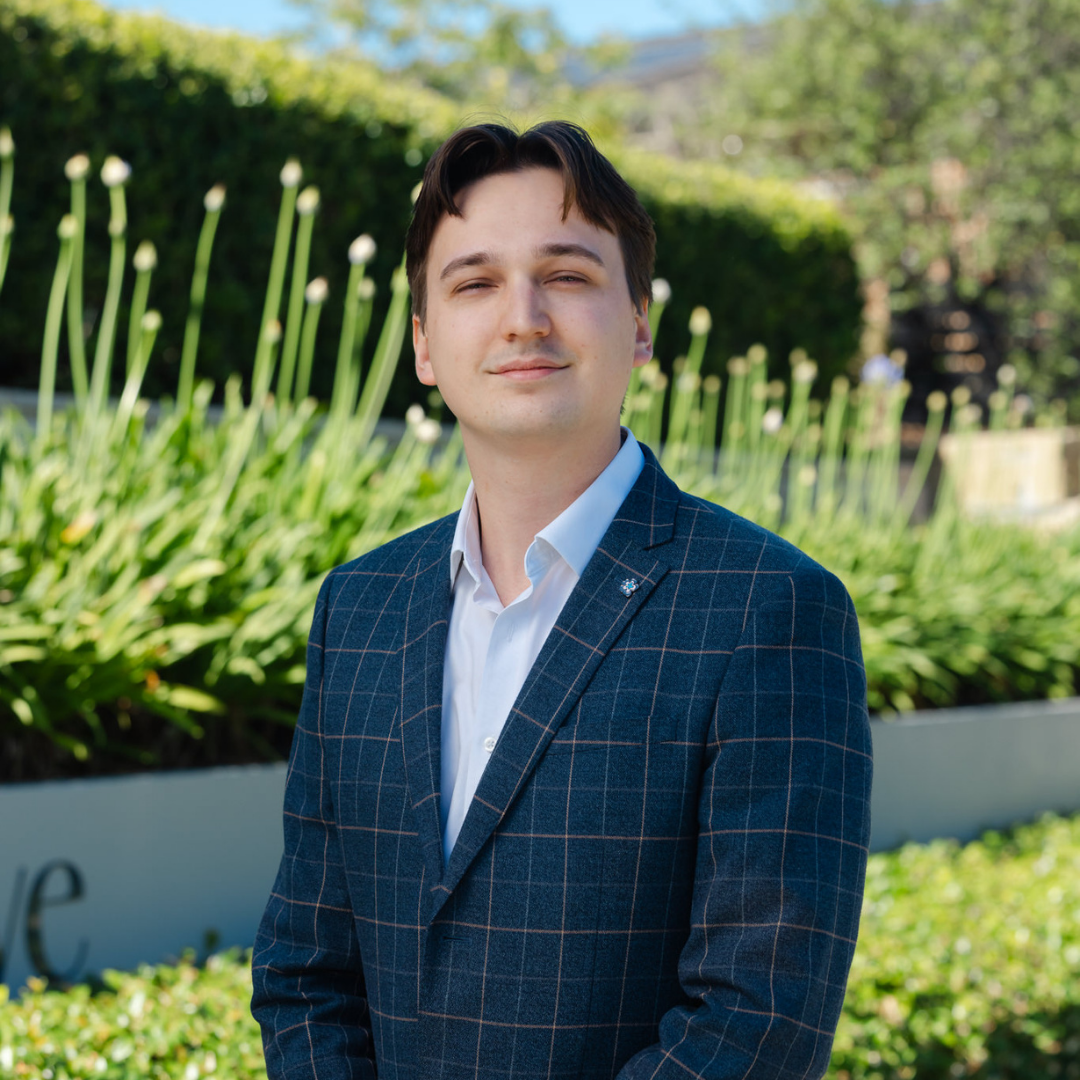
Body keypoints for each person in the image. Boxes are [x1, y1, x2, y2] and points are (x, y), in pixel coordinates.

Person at [251, 120, 873, 1080]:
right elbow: (304, 970)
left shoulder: (773, 609)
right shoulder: (358, 609)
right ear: (424, 343)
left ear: (637, 321)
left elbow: (759, 1020)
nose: (523, 317)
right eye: (474, 283)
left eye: (569, 276)